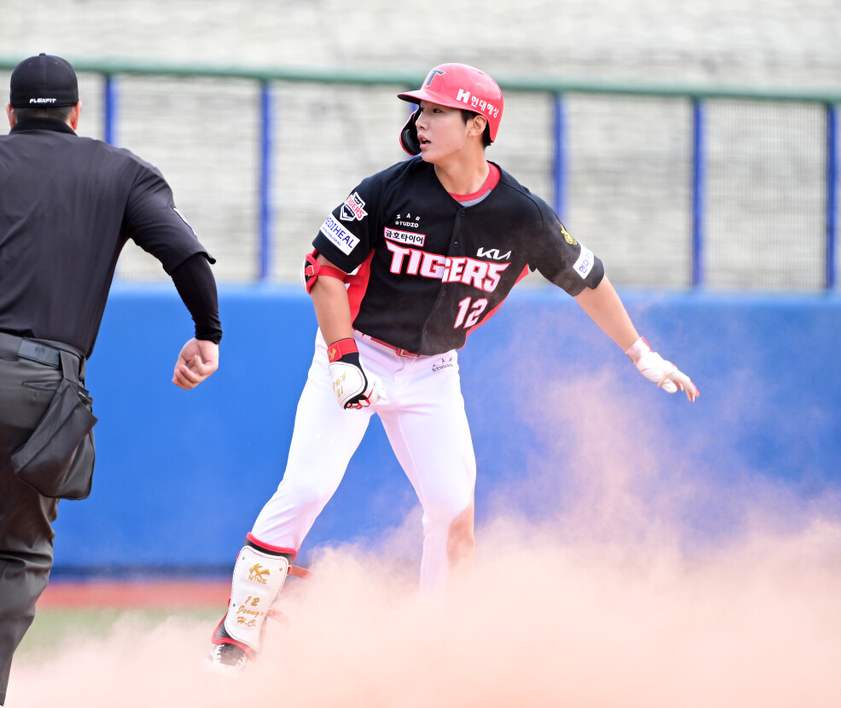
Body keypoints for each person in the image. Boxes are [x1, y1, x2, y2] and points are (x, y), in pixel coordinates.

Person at [206, 63, 698, 672]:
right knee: (306, 487)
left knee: (453, 510)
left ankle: (434, 648)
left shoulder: (523, 215)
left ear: (477, 125)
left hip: (435, 371)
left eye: (438, 111)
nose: (422, 120)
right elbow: (323, 271)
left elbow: (587, 279)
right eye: (421, 109)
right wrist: (343, 359)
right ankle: (238, 632)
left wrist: (641, 354)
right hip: (358, 351)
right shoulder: (388, 189)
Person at [0, 54, 222, 704]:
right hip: (43, 393)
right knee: (16, 557)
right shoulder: (118, 170)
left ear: (10, 114)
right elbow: (185, 253)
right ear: (75, 115)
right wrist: (207, 333)